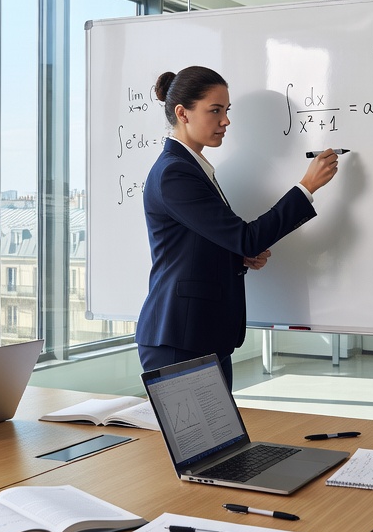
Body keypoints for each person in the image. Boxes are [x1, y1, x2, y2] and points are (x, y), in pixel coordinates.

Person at [136, 65, 340, 388]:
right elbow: (245, 237)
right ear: (182, 113)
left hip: (201, 334)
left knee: (222, 439)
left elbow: (203, 242)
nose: (225, 121)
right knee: (202, 439)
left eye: (226, 111)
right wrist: (306, 187)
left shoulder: (194, 167)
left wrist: (237, 256)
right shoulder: (175, 173)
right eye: (215, 111)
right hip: (179, 338)